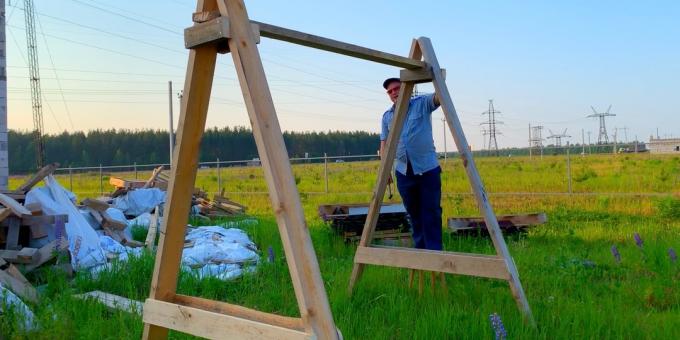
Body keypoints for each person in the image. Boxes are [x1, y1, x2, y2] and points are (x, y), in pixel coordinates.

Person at [380, 77, 442, 250]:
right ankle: (421, 254)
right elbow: (384, 144)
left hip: (427, 170)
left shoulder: (421, 104)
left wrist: (435, 75)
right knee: (414, 214)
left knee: (431, 213)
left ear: (407, 88)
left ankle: (435, 255)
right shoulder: (387, 117)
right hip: (403, 172)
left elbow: (439, 96)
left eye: (397, 88)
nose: (394, 93)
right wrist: (385, 173)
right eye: (390, 91)